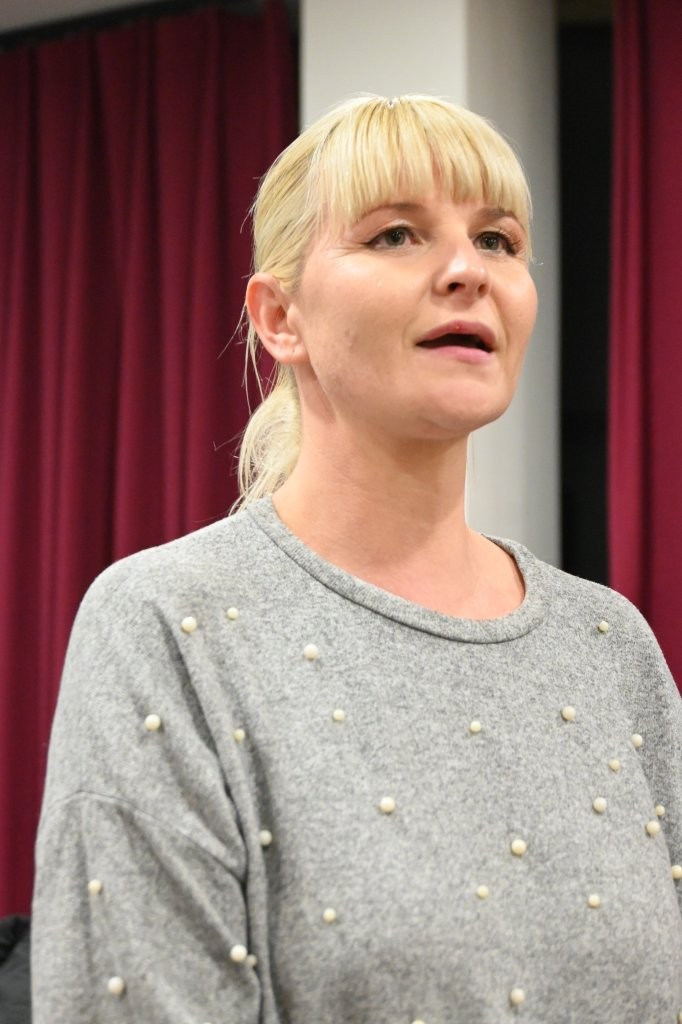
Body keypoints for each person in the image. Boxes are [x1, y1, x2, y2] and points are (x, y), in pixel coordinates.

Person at [32, 95, 682, 1023]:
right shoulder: (167, 625)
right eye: (396, 235)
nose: (468, 270)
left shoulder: (609, 643)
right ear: (280, 317)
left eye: (497, 241)